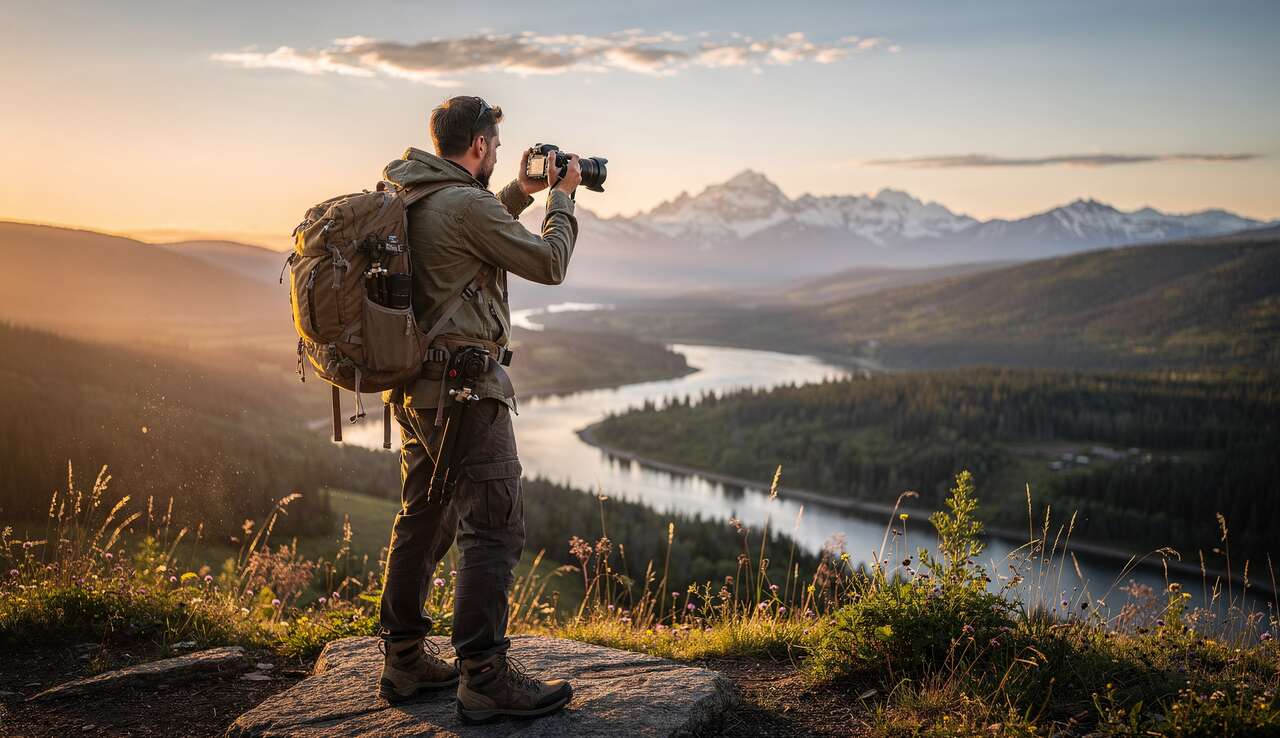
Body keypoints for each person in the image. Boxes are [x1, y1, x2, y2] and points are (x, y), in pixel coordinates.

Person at [375, 95, 581, 723]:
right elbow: (548, 262)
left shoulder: (413, 194)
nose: (496, 153)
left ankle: (405, 656)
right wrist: (561, 199)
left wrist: (518, 191)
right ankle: (485, 675)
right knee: (493, 526)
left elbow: (474, 242)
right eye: (495, 145)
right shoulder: (462, 203)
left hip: (417, 389)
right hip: (467, 392)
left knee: (425, 516)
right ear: (481, 145)